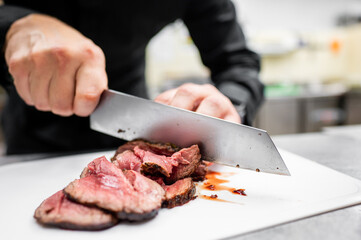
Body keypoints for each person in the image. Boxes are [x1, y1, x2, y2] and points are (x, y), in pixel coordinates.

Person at [0, 0, 264, 155]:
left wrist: (229, 105)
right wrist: (13, 25)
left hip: (134, 135)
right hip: (30, 133)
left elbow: (237, 62)